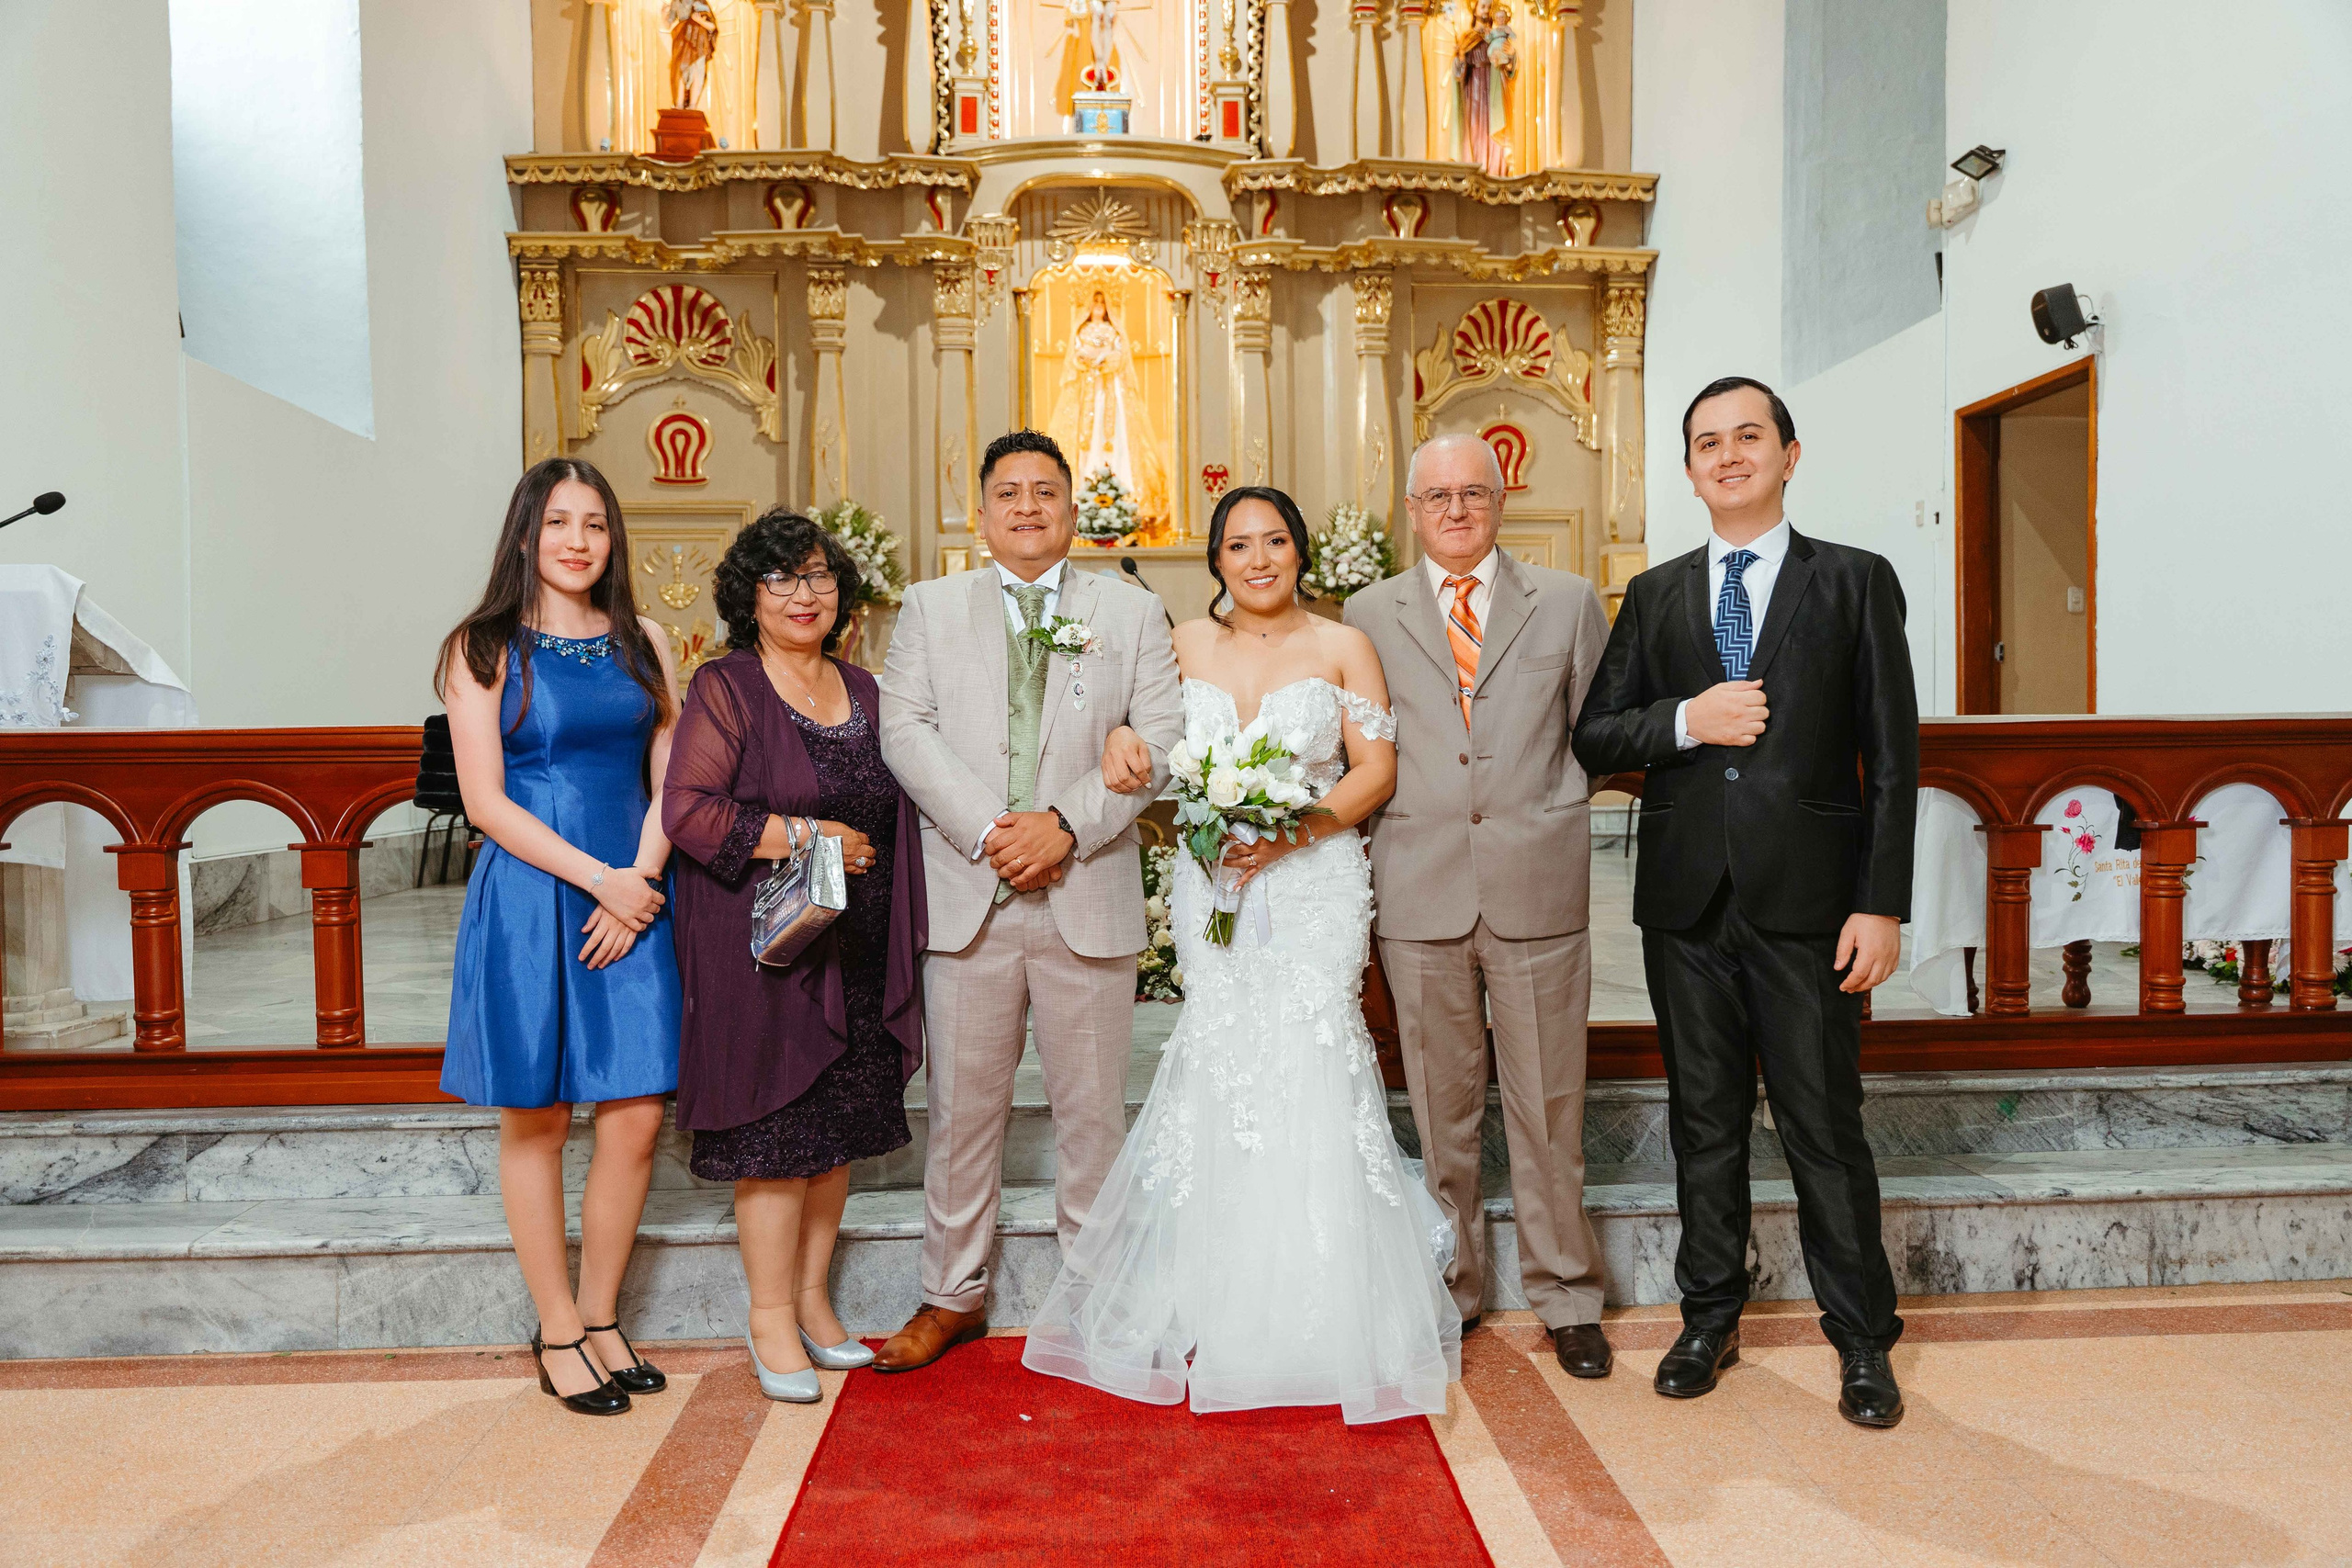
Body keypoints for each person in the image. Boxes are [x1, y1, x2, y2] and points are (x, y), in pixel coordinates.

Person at [1035, 486, 1459, 1425]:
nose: (1257, 559)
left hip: (1312, 886)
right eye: (1238, 544)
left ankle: (1318, 1297)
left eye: (1274, 542)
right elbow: (1131, 731)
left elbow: (1375, 768)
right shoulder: (1182, 643)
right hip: (1212, 878)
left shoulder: (1344, 643)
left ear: (1298, 552)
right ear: (1216, 560)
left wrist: (1295, 831)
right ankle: (1217, 1286)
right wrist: (1120, 739)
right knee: (1222, 1052)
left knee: (1313, 1050)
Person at [1572, 376, 1917, 1429]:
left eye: (1747, 438)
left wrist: (1882, 904)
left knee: (1824, 1126)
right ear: (1687, 468)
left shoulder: (1853, 581)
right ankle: (1707, 1316)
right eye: (1706, 443)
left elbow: (1893, 757)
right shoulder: (1658, 592)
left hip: (1811, 905)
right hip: (1685, 903)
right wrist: (1686, 720)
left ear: (1788, 454)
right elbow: (1597, 734)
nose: (1727, 456)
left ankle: (1861, 1343)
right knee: (1703, 1124)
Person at [874, 428, 1184, 1371]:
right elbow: (904, 730)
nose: (1025, 507)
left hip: (1083, 889)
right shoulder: (928, 607)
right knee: (964, 1113)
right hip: (970, 889)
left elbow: (1160, 743)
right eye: (1006, 493)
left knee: (1093, 1115)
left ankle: (1095, 1300)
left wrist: (1061, 826)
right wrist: (993, 833)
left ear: (1071, 511)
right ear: (980, 512)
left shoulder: (1130, 613)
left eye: (1044, 492)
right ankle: (950, 1294)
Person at [1344, 433, 1618, 1381]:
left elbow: (1601, 730)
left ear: (1502, 499)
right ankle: (1452, 1287)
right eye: (1437, 497)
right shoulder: (1367, 612)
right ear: (1410, 510)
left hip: (1534, 880)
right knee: (1440, 1106)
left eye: (1473, 493)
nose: (1456, 510)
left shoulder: (1569, 601)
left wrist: (1550, 809)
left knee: (1549, 1105)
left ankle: (1567, 1291)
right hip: (1418, 887)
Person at [662, 511, 928, 1404]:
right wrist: (806, 834)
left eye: (816, 576)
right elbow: (690, 812)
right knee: (777, 1137)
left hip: (855, 945)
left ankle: (815, 1305)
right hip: (767, 950)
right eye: (780, 580)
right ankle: (769, 1315)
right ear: (749, 595)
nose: (802, 595)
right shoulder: (728, 687)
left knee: (836, 1134)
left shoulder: (868, 688)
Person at [438, 457, 684, 1416]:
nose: (577, 541)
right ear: (526, 537)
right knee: (536, 1119)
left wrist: (642, 882)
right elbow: (484, 801)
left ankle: (601, 1312)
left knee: (633, 1116)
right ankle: (555, 1328)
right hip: (535, 897)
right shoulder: (482, 646)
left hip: (635, 890)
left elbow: (675, 779)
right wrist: (602, 883)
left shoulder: (646, 641)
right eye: (558, 524)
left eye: (594, 524)